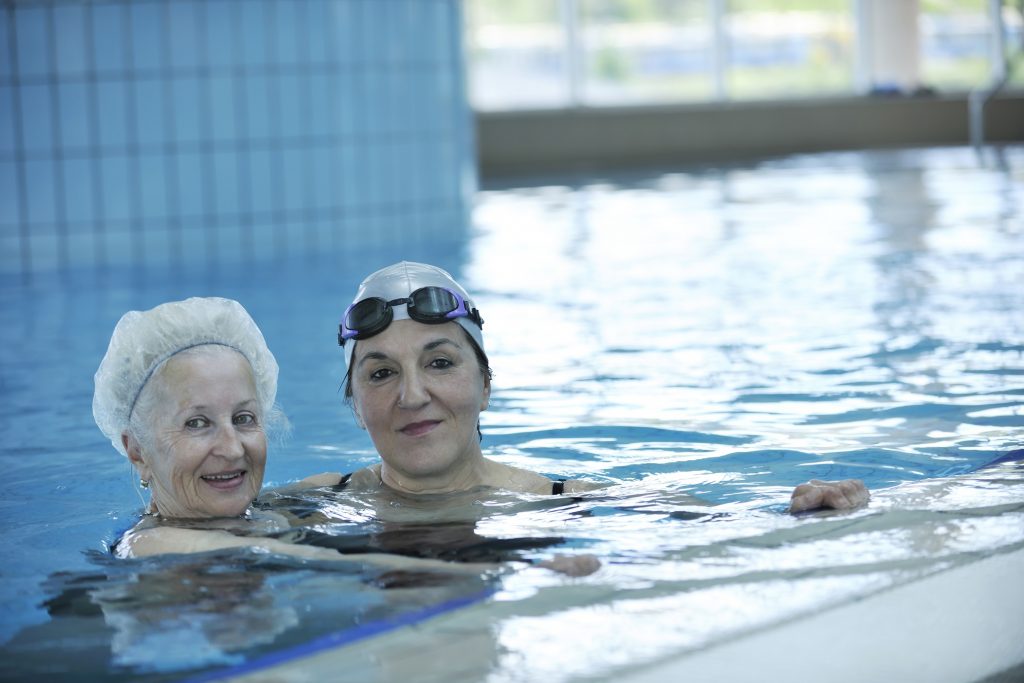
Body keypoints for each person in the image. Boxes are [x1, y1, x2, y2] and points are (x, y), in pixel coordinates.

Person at [301, 261, 868, 513]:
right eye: (380, 373)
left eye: (441, 363)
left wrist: (805, 511)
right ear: (355, 405)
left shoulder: (567, 505)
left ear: (487, 386)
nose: (412, 395)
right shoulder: (311, 505)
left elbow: (730, 529)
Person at [92, 296, 531, 572]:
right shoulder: (152, 544)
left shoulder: (280, 512)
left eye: (244, 419)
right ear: (136, 451)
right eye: (197, 423)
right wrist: (513, 566)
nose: (231, 448)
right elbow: (310, 561)